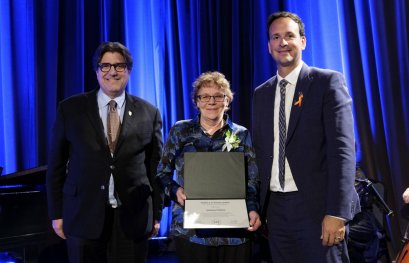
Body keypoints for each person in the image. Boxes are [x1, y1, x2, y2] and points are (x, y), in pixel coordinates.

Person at [252, 11, 359, 262]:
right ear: (269, 46)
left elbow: (343, 151)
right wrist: (255, 206)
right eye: (275, 37)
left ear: (303, 41)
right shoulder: (261, 93)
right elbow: (259, 152)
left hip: (318, 208)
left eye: (289, 35)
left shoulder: (327, 82)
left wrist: (337, 212)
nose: (282, 42)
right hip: (276, 212)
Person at [46, 41, 164, 263]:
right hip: (82, 216)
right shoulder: (70, 109)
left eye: (119, 66)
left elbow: (156, 168)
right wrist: (56, 213)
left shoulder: (149, 112)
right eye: (105, 66)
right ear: (97, 70)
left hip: (133, 218)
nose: (112, 72)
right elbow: (56, 166)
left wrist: (157, 215)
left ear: (128, 70)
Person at [156, 71, 261, 263]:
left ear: (227, 101)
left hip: (234, 231)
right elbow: (161, 173)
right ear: (196, 101)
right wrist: (175, 190)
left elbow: (251, 178)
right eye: (204, 96)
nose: (211, 101)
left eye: (218, 96)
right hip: (191, 230)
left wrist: (252, 209)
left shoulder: (242, 134)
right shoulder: (181, 130)